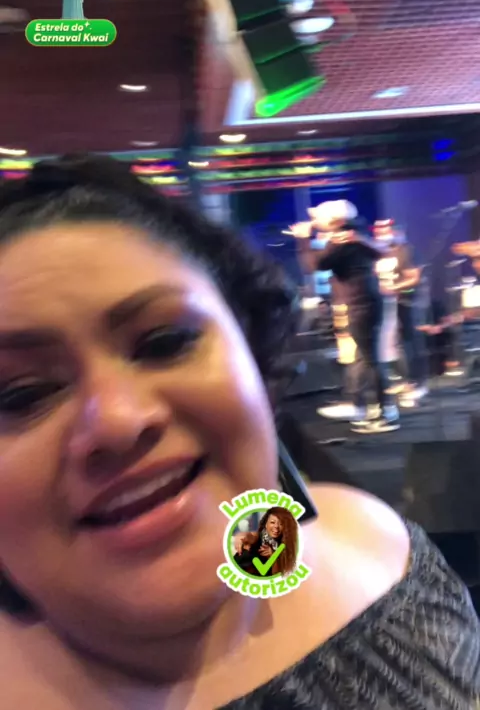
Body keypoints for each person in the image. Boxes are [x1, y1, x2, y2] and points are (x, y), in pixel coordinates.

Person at [0, 155, 478, 709]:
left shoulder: (375, 542)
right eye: (21, 394)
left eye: (164, 342)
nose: (119, 420)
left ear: (250, 347)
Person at [292, 201, 399, 432]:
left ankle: (385, 411)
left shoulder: (343, 239)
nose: (316, 222)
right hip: (366, 302)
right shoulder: (352, 235)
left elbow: (314, 265)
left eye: (320, 218)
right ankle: (363, 405)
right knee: (363, 358)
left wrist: (303, 239)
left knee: (370, 359)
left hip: (362, 304)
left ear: (336, 220)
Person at [374, 221, 429, 402]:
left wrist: (393, 288)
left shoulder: (407, 250)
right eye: (378, 230)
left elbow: (414, 278)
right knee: (395, 345)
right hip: (388, 304)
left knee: (411, 342)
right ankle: (405, 379)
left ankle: (419, 383)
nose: (381, 234)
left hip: (408, 301)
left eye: (385, 230)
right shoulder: (379, 252)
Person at [233, 508, 298, 577]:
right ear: (266, 524)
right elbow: (251, 536)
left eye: (281, 523)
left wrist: (272, 556)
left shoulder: (286, 546)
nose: (276, 526)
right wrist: (242, 536)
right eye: (272, 522)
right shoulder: (259, 536)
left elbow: (277, 575)